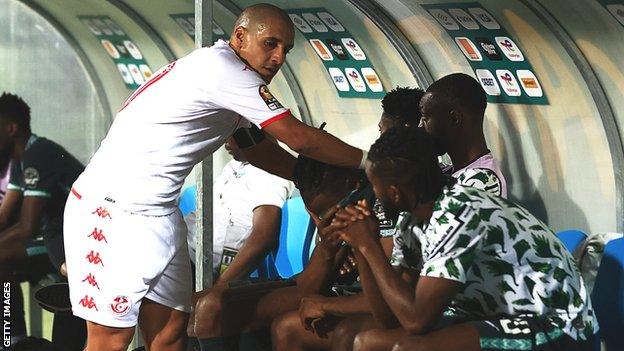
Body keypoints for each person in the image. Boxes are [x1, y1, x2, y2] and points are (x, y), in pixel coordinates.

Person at [62, 4, 366, 351]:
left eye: (286, 49)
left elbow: (254, 148)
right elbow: (299, 138)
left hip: (158, 214)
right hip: (114, 212)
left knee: (171, 331)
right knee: (110, 341)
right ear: (240, 36)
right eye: (270, 43)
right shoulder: (225, 70)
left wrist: (305, 177)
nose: (279, 57)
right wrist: (371, 163)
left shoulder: (232, 78)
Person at [333, 127, 598, 351]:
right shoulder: (411, 223)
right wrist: (360, 247)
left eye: (374, 186)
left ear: (395, 193)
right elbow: (391, 319)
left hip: (557, 325)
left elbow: (416, 320)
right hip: (496, 318)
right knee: (367, 341)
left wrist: (370, 246)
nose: (372, 196)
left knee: (410, 349)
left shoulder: (459, 213)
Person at [0, 92, 87, 350]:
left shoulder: (38, 154)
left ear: (11, 128)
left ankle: (11, 339)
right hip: (54, 234)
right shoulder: (21, 158)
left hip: (74, 238)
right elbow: (5, 216)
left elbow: (27, 226)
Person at [419, 73, 506, 198]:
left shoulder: (481, 181)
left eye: (425, 118)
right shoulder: (452, 172)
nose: (421, 127)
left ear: (454, 118)